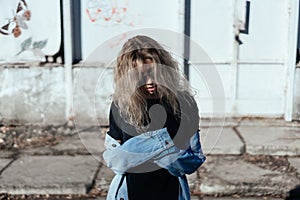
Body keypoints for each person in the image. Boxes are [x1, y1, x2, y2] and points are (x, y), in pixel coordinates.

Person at [103, 35, 206, 200]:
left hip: (171, 191)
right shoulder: (121, 105)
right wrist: (162, 145)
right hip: (130, 192)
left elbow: (194, 158)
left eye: (154, 73)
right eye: (141, 76)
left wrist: (145, 149)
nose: (150, 81)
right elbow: (115, 161)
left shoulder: (184, 102)